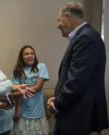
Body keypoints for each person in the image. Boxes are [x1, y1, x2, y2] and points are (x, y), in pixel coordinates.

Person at [47, 2, 109, 135]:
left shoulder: (86, 38)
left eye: (59, 20)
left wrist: (57, 104)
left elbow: (76, 81)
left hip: (78, 116)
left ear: (68, 17)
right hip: (74, 112)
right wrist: (57, 99)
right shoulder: (84, 36)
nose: (58, 25)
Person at [10, 45, 50, 135]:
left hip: (38, 114)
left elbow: (38, 87)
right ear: (22, 57)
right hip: (23, 115)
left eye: (32, 53)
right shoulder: (16, 71)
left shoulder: (41, 66)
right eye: (26, 54)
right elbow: (15, 92)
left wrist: (23, 91)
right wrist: (18, 109)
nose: (30, 55)